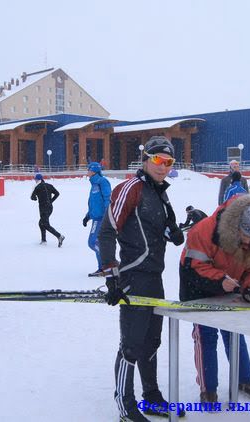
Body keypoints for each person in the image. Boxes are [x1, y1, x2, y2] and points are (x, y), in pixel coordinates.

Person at [98, 135, 185, 421]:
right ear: (145, 159)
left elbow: (161, 228)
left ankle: (152, 398)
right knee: (131, 345)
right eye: (158, 160)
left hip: (154, 277)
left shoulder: (160, 193)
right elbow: (107, 231)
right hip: (133, 276)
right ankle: (126, 406)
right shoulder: (131, 188)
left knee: (151, 342)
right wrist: (111, 276)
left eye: (168, 162)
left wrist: (175, 232)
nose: (163, 167)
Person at [179, 195, 250, 404]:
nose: (247, 241)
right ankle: (208, 389)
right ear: (236, 224)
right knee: (206, 336)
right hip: (198, 289)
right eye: (244, 235)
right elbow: (193, 267)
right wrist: (219, 281)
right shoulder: (203, 231)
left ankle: (244, 379)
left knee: (235, 333)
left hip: (231, 288)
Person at [83, 162, 111, 277]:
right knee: (96, 243)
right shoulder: (94, 183)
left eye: (88, 170)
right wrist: (88, 216)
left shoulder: (102, 182)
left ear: (93, 171)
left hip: (102, 218)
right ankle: (103, 268)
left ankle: (109, 264)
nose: (87, 172)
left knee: (93, 242)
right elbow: (94, 204)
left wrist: (107, 216)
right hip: (96, 218)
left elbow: (108, 199)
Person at [30, 173, 64, 246]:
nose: (35, 180)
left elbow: (32, 197)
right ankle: (43, 240)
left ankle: (59, 236)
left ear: (37, 179)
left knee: (45, 224)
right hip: (50, 207)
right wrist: (51, 201)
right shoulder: (49, 185)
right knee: (41, 223)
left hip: (43, 208)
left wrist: (35, 198)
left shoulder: (37, 187)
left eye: (35, 179)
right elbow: (57, 193)